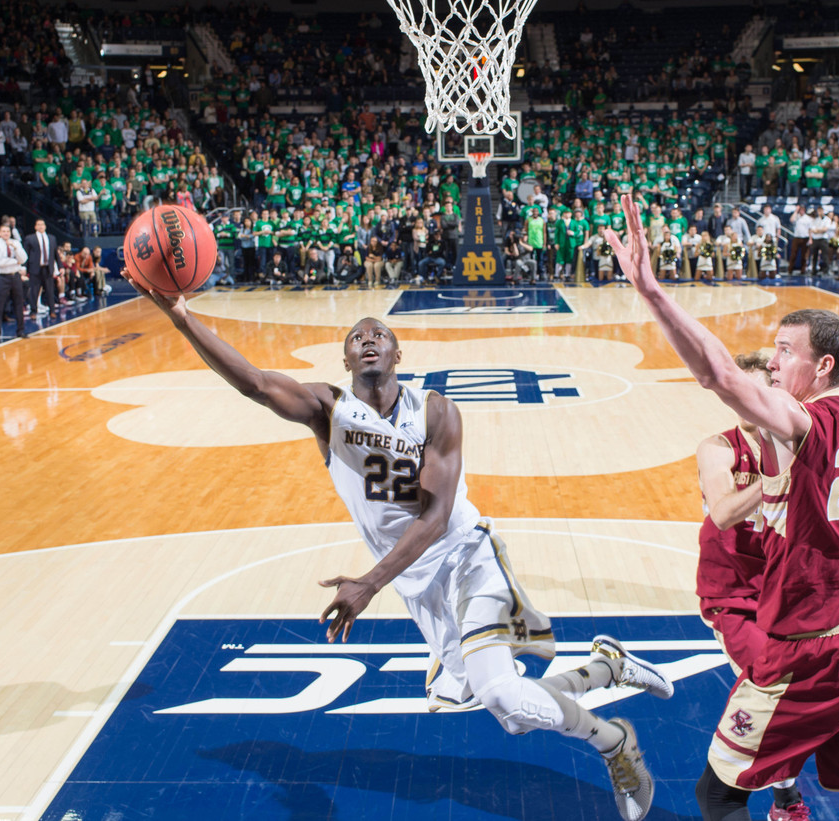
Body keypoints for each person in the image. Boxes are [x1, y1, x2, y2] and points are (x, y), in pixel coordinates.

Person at [121, 277, 676, 821]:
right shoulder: (328, 409)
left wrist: (368, 583)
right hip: (418, 581)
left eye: (377, 333)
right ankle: (607, 667)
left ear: (397, 352)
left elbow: (435, 518)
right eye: (357, 336)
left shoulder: (436, 412)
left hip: (466, 556)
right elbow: (255, 383)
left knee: (505, 698)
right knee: (507, 710)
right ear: (345, 361)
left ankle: (616, 744)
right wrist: (183, 318)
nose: (367, 338)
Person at [607, 193, 839, 821]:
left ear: (822, 366)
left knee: (717, 794)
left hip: (818, 645)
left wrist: (654, 293)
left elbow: (719, 375)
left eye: (786, 350)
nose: (773, 359)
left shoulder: (804, 422)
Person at [696, 351, 811, 821]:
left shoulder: (793, 439)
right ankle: (781, 799)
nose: (740, 397)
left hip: (785, 590)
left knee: (798, 687)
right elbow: (722, 514)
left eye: (753, 388)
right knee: (769, 678)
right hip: (732, 594)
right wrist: (781, 477)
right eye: (734, 389)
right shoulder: (719, 447)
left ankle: (783, 794)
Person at [0, 223, 29, 338]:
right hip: (2, 277)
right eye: (4, 231)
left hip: (15, 276)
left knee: (19, 303)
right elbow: (0, 262)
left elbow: (24, 258)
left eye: (8, 231)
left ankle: (20, 331)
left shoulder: (15, 243)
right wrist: (15, 261)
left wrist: (15, 249)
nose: (6, 233)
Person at [24, 219, 59, 318]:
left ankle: (52, 311)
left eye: (42, 224)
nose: (40, 226)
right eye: (38, 225)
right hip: (35, 268)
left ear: (45, 226)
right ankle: (33, 311)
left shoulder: (52, 238)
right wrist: (25, 269)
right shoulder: (30, 238)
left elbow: (55, 254)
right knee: (34, 291)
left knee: (50, 290)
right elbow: (25, 255)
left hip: (48, 268)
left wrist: (60, 267)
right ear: (35, 227)